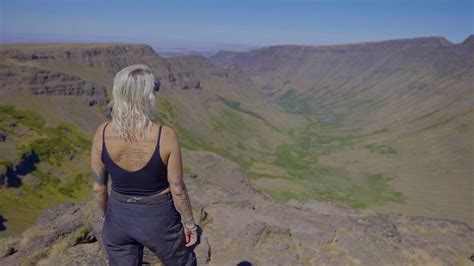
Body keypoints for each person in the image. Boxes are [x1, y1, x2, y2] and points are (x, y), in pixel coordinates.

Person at [90, 64, 198, 265]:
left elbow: (98, 187)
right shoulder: (165, 135)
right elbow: (177, 189)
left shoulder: (102, 133)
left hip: (118, 215)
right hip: (158, 217)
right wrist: (189, 224)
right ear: (147, 96)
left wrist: (109, 217)